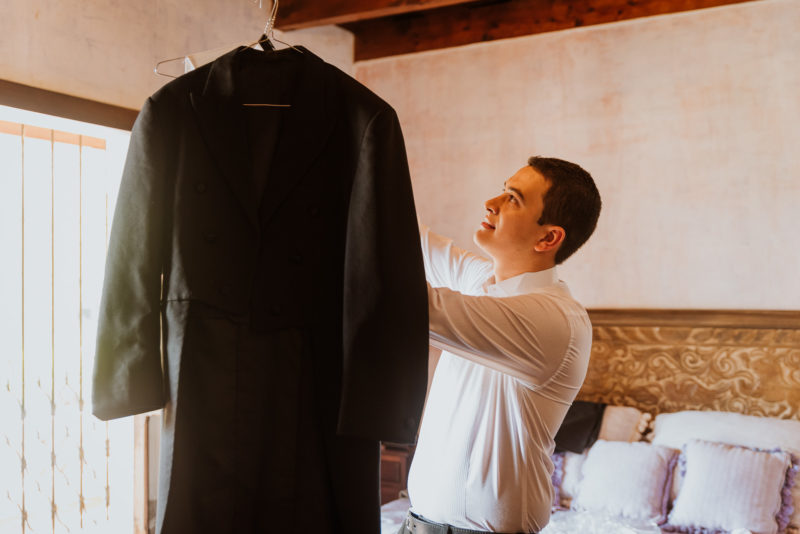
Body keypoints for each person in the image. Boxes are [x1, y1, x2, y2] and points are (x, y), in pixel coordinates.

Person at [400, 156, 602, 534]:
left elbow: (406, 305)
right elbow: (401, 235)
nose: (490, 203)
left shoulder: (554, 321)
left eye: (513, 198)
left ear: (548, 237)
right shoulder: (480, 282)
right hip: (414, 526)